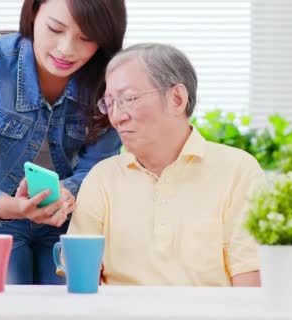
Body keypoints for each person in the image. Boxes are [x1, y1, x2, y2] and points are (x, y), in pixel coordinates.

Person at [0, 0, 127, 285]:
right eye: (55, 29)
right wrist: (14, 207)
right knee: (7, 303)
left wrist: (66, 193)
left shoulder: (108, 81)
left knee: (68, 303)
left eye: (86, 37)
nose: (67, 49)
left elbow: (97, 173)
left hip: (69, 220)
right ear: (33, 14)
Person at [67, 43, 263, 287]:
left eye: (128, 99)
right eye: (110, 103)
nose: (116, 116)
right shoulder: (102, 177)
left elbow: (248, 282)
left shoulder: (238, 171)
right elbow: (81, 287)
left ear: (177, 99)